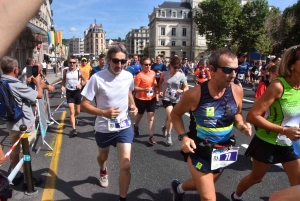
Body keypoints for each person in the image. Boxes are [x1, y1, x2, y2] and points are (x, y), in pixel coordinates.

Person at [170, 48, 252, 201]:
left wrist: (241, 125)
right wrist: (183, 137)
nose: (233, 75)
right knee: (209, 197)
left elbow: (238, 114)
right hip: (199, 150)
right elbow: (175, 114)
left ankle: (179, 188)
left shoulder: (237, 90)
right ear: (212, 70)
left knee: (204, 183)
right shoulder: (195, 94)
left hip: (223, 150)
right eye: (227, 70)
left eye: (236, 70)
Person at [231, 45, 300, 201]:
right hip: (267, 141)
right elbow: (253, 116)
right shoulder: (278, 86)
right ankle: (236, 196)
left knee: (298, 185)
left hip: (290, 143)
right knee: (256, 178)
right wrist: (284, 130)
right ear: (291, 65)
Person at [80, 44, 137, 201]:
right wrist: (103, 113)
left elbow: (128, 91)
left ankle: (122, 198)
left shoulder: (128, 76)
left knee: (126, 165)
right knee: (102, 157)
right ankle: (103, 170)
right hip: (104, 128)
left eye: (122, 61)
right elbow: (83, 105)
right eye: (115, 61)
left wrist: (133, 104)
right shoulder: (97, 78)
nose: (119, 65)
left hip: (124, 126)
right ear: (108, 60)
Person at [0, 56, 44, 190]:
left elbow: (15, 92)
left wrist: (24, 83)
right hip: (24, 123)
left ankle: (15, 175)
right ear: (15, 69)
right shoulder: (17, 84)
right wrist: (37, 83)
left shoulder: (3, 81)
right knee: (26, 152)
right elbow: (39, 95)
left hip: (11, 123)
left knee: (14, 150)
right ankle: (28, 180)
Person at [159, 56, 189, 146]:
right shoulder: (165, 74)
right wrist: (160, 90)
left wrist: (182, 90)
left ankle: (165, 127)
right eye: (175, 67)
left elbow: (186, 87)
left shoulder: (181, 75)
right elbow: (160, 82)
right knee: (171, 116)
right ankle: (169, 135)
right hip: (166, 98)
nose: (176, 69)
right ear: (170, 65)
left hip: (176, 98)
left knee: (170, 117)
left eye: (178, 67)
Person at [133, 57, 158, 145]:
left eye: (149, 64)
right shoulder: (139, 75)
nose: (148, 66)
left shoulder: (153, 73)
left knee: (151, 117)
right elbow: (134, 88)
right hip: (141, 99)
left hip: (151, 98)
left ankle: (151, 136)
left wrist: (156, 86)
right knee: (139, 115)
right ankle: (135, 126)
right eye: (146, 65)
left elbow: (154, 82)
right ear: (142, 65)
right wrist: (143, 90)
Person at [61, 56, 86, 137]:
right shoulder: (65, 71)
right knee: (72, 110)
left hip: (77, 92)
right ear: (68, 63)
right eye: (70, 62)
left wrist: (81, 84)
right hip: (69, 92)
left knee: (77, 111)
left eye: (74, 62)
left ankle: (74, 118)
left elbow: (85, 80)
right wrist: (63, 86)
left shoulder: (79, 71)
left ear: (76, 63)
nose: (72, 64)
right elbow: (63, 80)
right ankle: (74, 129)